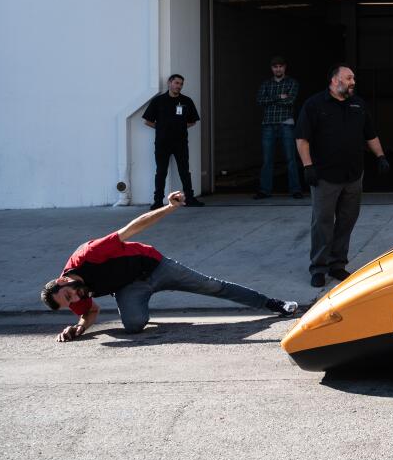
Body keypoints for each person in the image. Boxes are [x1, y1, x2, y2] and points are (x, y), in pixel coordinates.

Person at [40, 191, 297, 341]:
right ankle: (138, 301)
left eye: (69, 295)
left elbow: (133, 228)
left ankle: (273, 304)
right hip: (130, 287)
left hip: (155, 266)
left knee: (212, 286)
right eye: (69, 303)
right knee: (133, 326)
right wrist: (79, 328)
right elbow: (90, 312)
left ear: (63, 280)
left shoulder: (89, 254)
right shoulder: (75, 294)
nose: (75, 299)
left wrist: (169, 207)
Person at [295, 64, 392, 288]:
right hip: (325, 176)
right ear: (334, 80)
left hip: (353, 175)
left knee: (347, 220)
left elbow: (370, 134)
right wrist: (307, 166)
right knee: (323, 222)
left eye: (353, 78)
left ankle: (337, 263)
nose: (353, 82)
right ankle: (318, 267)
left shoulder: (358, 104)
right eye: (348, 78)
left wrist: (381, 156)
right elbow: (302, 138)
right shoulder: (314, 105)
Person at [142, 73, 204, 208]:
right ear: (169, 83)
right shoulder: (158, 101)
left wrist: (179, 128)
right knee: (161, 172)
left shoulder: (186, 101)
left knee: (184, 171)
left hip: (180, 142)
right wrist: (162, 129)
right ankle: (158, 201)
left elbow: (192, 121)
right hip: (162, 143)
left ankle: (190, 199)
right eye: (176, 83)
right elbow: (148, 121)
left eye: (181, 84)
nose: (179, 86)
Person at [255, 55, 302, 199]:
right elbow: (260, 101)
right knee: (267, 160)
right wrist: (279, 97)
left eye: (280, 66)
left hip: (286, 123)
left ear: (284, 67)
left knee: (290, 159)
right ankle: (264, 190)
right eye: (275, 67)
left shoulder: (292, 83)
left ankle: (295, 190)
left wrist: (273, 99)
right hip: (268, 124)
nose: (278, 69)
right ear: (272, 69)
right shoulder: (266, 84)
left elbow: (290, 101)